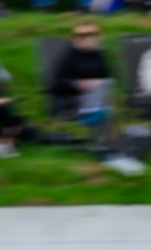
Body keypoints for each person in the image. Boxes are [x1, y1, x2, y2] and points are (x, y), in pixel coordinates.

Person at [51, 22, 142, 175]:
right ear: (74, 38)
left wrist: (99, 87)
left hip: (98, 99)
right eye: (81, 35)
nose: (87, 38)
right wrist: (78, 85)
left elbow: (108, 78)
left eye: (91, 34)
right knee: (105, 108)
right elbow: (56, 84)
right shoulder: (68, 56)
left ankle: (111, 146)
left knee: (106, 88)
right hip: (72, 100)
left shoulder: (100, 55)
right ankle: (109, 148)